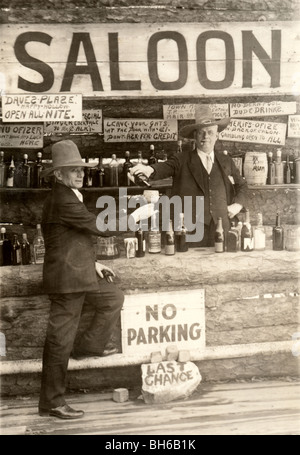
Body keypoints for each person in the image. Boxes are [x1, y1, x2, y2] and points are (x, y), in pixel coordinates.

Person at [38, 140, 153, 420]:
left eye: (81, 169)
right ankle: (51, 402)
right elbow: (98, 227)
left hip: (80, 272)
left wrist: (93, 263)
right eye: (72, 170)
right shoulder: (63, 199)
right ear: (58, 175)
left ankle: (88, 347)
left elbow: (72, 238)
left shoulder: (70, 195)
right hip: (67, 280)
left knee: (113, 297)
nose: (80, 174)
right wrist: (138, 214)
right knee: (58, 342)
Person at [130, 105, 248, 246]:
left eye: (210, 132)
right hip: (190, 229)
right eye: (201, 133)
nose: (206, 137)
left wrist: (238, 205)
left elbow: (242, 185)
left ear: (217, 136)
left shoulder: (226, 161)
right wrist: (149, 170)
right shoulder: (181, 159)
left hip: (221, 228)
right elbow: (164, 167)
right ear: (194, 136)